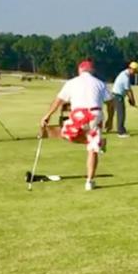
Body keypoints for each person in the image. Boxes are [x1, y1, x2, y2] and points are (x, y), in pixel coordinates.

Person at [40, 59, 110, 191]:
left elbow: (58, 101)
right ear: (92, 71)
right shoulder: (100, 83)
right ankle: (90, 181)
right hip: (96, 115)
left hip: (80, 114)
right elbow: (111, 103)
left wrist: (47, 115)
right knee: (92, 148)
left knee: (66, 134)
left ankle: (95, 145)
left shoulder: (71, 83)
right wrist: (111, 120)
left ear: (80, 70)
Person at [106, 61, 138, 137]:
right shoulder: (125, 77)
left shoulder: (125, 74)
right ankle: (121, 132)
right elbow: (128, 90)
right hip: (118, 96)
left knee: (121, 113)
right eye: (135, 71)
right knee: (121, 114)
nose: (135, 73)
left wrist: (131, 100)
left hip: (117, 95)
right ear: (131, 69)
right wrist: (132, 100)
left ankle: (121, 130)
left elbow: (128, 90)